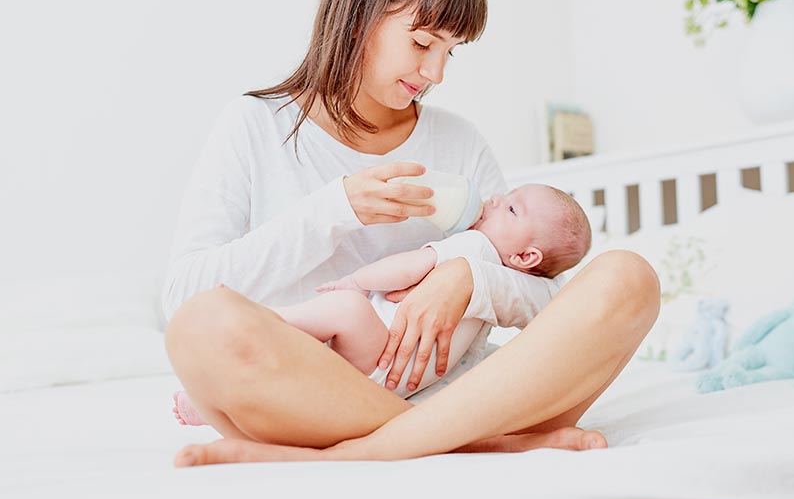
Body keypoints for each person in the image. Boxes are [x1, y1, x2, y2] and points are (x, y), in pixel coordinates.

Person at [163, 0, 659, 467]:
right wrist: (333, 211)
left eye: (451, 51)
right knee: (201, 326)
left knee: (629, 279)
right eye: (423, 42)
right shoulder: (255, 125)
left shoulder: (458, 142)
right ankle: (467, 442)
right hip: (311, 396)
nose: (436, 72)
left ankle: (379, 446)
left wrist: (469, 279)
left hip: (468, 394)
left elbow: (548, 301)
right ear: (358, 18)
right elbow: (184, 294)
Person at [172, 182, 592, 425]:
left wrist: (356, 281)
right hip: (397, 385)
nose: (496, 200)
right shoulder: (503, 295)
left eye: (512, 207)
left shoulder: (477, 247)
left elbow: (408, 267)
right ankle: (209, 408)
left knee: (345, 310)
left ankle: (257, 316)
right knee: (294, 385)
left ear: (526, 257)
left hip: (383, 356)